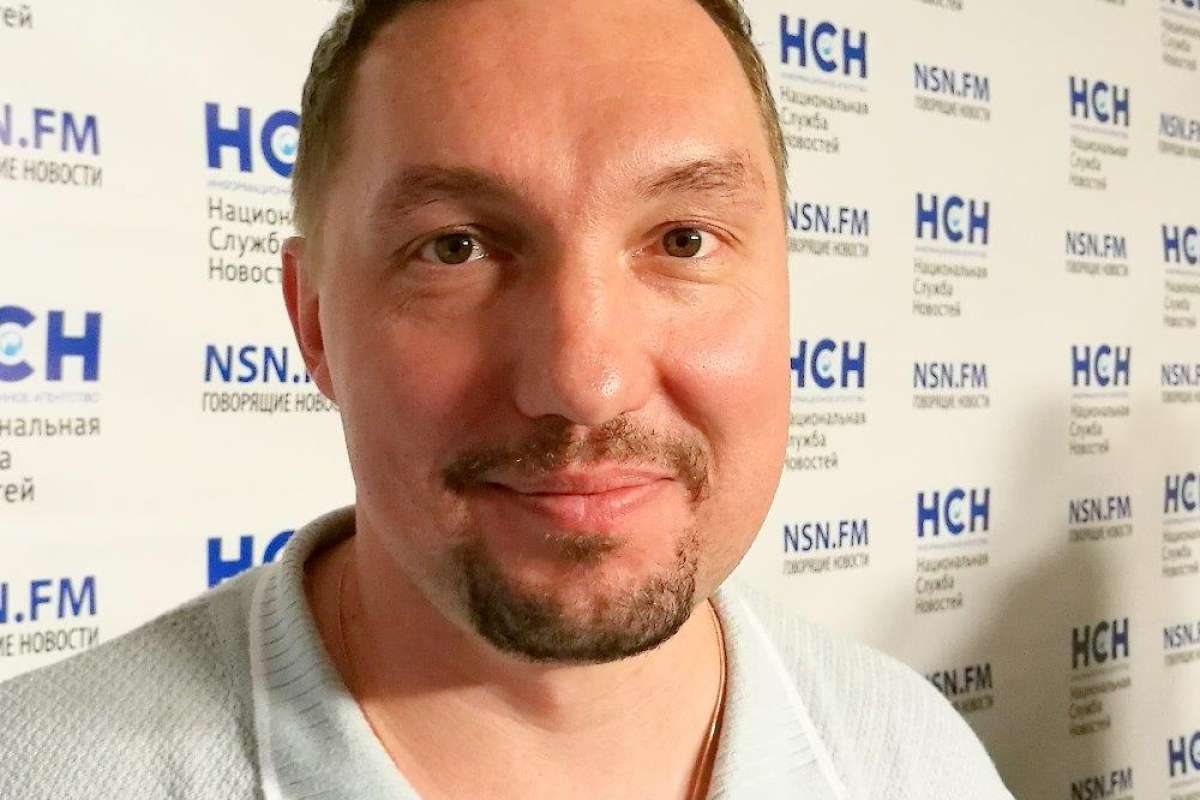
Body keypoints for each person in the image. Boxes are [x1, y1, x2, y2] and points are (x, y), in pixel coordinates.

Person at [0, 1, 1014, 798]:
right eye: (456, 248)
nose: (586, 380)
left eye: (683, 240)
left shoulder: (915, 760)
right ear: (313, 323)